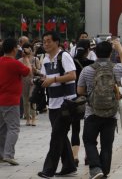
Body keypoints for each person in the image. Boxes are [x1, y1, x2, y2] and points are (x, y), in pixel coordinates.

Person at [78, 40, 122, 179]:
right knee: (107, 145)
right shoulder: (117, 68)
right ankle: (104, 173)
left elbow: (80, 90)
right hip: (111, 113)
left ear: (94, 52)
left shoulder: (87, 69)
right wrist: (119, 48)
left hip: (92, 112)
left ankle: (95, 168)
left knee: (89, 141)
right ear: (110, 53)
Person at [38, 31, 77, 178]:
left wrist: (53, 80)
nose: (46, 44)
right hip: (53, 103)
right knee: (60, 135)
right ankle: (69, 166)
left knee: (56, 137)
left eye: (48, 41)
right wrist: (39, 78)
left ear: (57, 42)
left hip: (66, 103)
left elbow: (72, 75)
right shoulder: (46, 59)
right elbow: (44, 76)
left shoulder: (64, 56)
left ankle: (48, 170)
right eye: (44, 41)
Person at [0, 38, 32, 165]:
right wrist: (28, 59)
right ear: (14, 49)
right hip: (11, 100)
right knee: (13, 128)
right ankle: (8, 154)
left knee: (2, 128)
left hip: (0, 100)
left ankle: (1, 153)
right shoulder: (15, 63)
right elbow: (28, 72)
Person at [72, 39, 95, 166]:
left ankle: (74, 157)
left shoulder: (70, 62)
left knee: (75, 129)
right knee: (89, 129)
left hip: (74, 98)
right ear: (88, 50)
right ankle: (88, 156)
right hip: (89, 98)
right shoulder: (92, 64)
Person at [19, 42, 40, 127]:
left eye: (29, 48)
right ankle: (27, 118)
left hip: (33, 81)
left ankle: (34, 118)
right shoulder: (20, 60)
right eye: (25, 48)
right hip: (23, 82)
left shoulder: (35, 59)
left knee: (32, 99)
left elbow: (40, 71)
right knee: (25, 101)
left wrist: (36, 70)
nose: (27, 50)